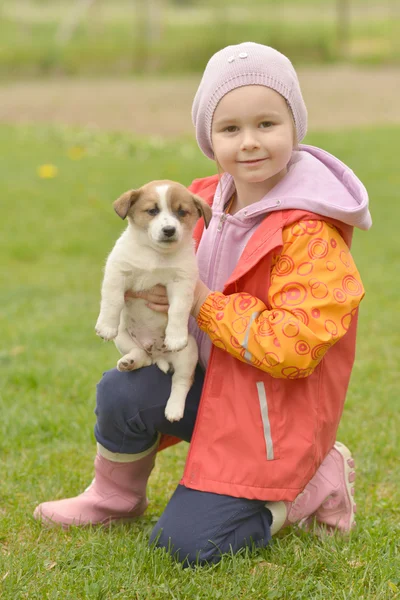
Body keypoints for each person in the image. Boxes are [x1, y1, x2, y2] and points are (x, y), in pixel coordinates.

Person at [34, 42, 371, 566]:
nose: (250, 142)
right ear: (208, 139)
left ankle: (315, 481)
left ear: (295, 127)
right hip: (210, 385)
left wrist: (201, 303)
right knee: (122, 389)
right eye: (230, 129)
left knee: (187, 546)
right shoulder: (198, 201)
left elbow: (295, 348)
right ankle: (114, 498)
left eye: (267, 123)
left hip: (272, 415)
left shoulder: (312, 234)